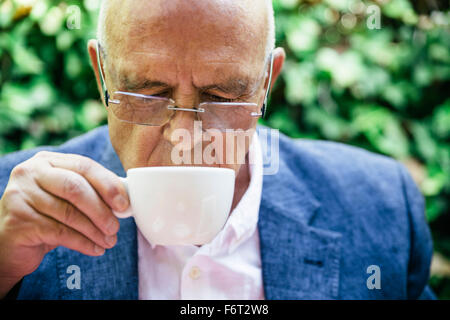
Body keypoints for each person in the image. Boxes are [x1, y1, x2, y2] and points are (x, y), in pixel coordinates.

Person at [0, 0, 434, 299]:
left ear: (266, 83)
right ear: (102, 75)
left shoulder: (381, 208)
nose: (181, 134)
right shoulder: (13, 211)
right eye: (148, 94)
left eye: (222, 98)